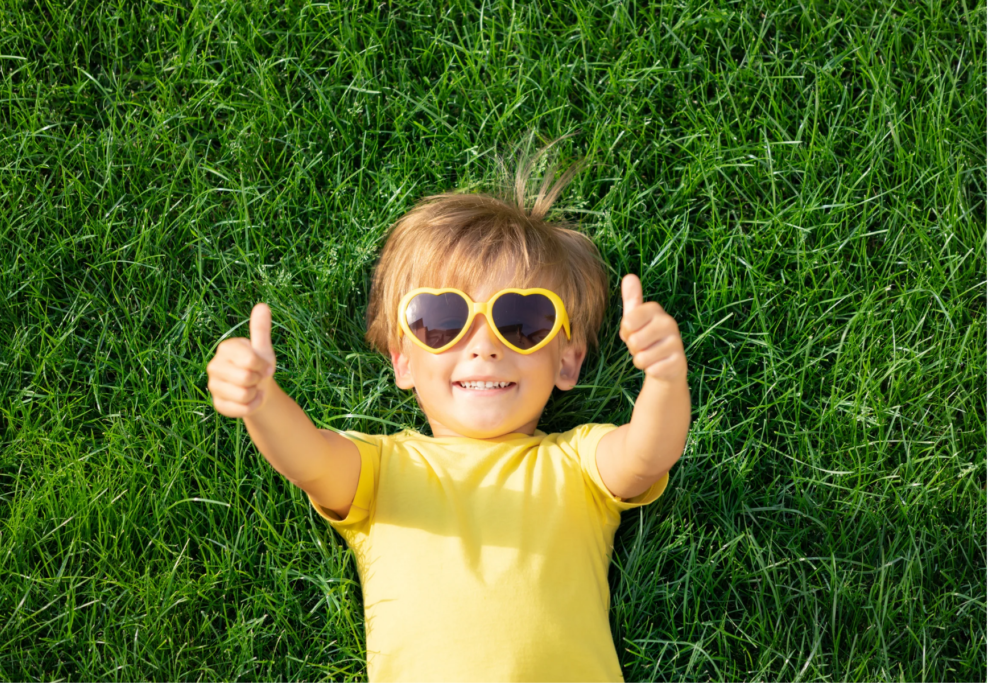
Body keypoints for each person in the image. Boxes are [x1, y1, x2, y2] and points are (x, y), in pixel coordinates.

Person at [205, 139, 692, 681]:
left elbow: (648, 453)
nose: (483, 346)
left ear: (567, 361)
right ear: (404, 362)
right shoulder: (383, 470)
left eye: (521, 321)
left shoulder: (576, 463)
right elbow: (309, 458)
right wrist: (261, 401)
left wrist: (666, 377)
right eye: (441, 319)